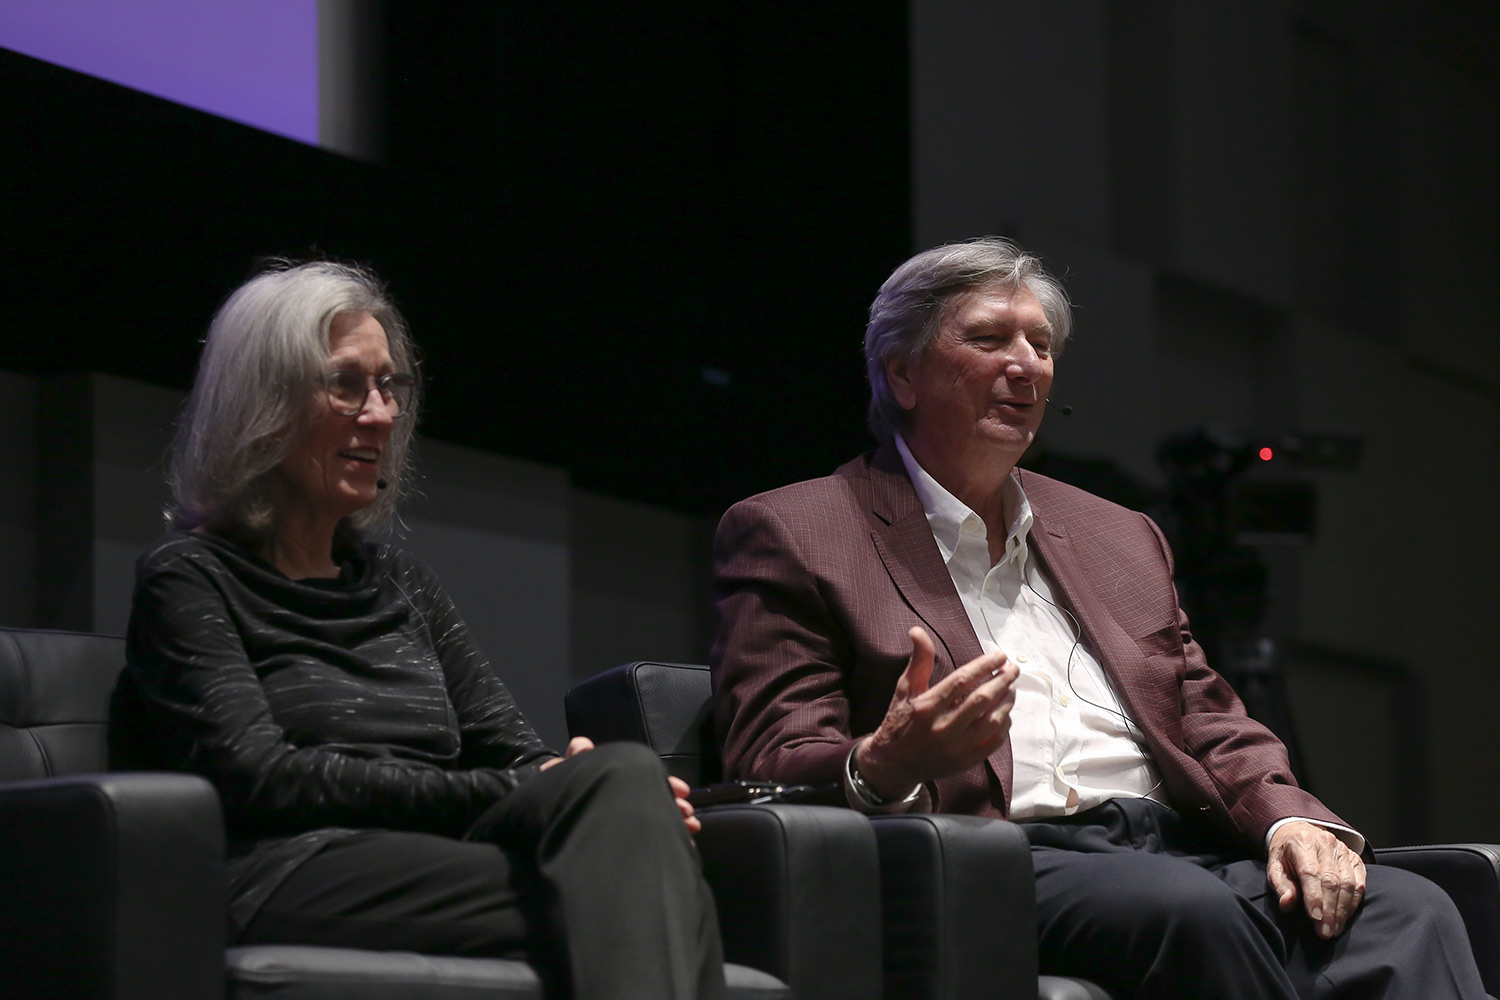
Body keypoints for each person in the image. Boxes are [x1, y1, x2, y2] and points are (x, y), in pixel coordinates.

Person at [709, 237, 1486, 999]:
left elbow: (1207, 719)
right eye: (989, 339)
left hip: (1174, 845)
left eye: (1040, 345)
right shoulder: (797, 529)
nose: (1027, 365)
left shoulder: (1119, 533)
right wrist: (888, 759)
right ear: (904, 376)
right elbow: (770, 756)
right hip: (997, 854)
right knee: (1186, 912)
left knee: (1408, 909)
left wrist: (1290, 824)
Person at [119, 260, 726, 1000]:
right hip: (293, 869)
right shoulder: (188, 576)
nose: (379, 414)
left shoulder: (401, 583)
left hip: (435, 856)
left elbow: (515, 749)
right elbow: (259, 779)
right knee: (641, 884)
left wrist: (580, 782)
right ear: (264, 401)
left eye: (388, 387)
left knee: (626, 780)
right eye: (346, 385)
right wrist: (516, 786)